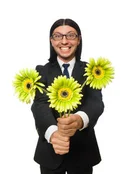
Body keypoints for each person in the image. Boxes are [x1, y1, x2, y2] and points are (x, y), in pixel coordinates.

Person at [31, 18, 105, 174]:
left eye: (70, 35)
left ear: (78, 40)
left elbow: (95, 102)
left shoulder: (92, 70)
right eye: (58, 36)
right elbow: (40, 106)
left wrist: (79, 119)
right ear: (51, 41)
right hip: (50, 156)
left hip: (83, 154)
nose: (64, 41)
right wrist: (53, 134)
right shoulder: (41, 71)